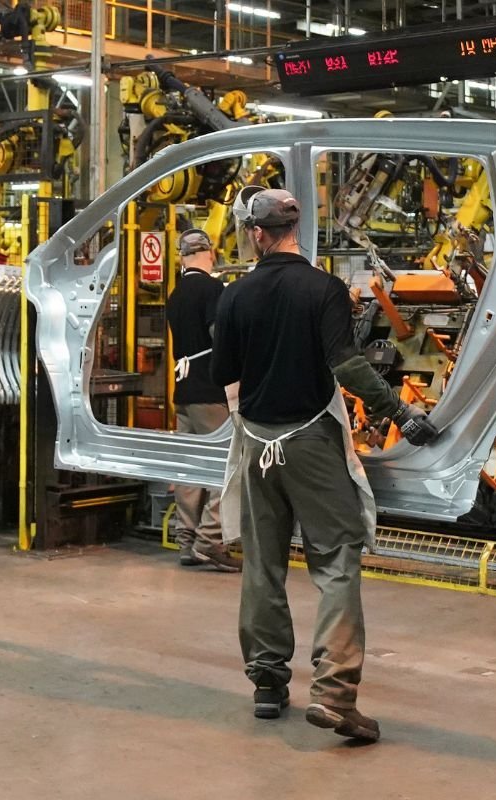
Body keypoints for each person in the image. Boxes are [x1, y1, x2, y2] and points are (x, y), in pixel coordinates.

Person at [211, 188, 439, 742]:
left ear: (257, 234)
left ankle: (268, 685)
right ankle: (335, 696)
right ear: (293, 230)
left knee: (262, 562)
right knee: (336, 562)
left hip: (257, 445)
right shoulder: (325, 289)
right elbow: (347, 366)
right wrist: (400, 413)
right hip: (311, 441)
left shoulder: (235, 296)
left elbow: (228, 380)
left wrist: (253, 425)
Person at [165, 227, 241, 573]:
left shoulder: (175, 294)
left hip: (183, 391)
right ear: (208, 254)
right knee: (223, 465)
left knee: (188, 467)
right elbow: (219, 335)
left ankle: (186, 540)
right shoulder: (213, 288)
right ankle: (210, 541)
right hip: (211, 390)